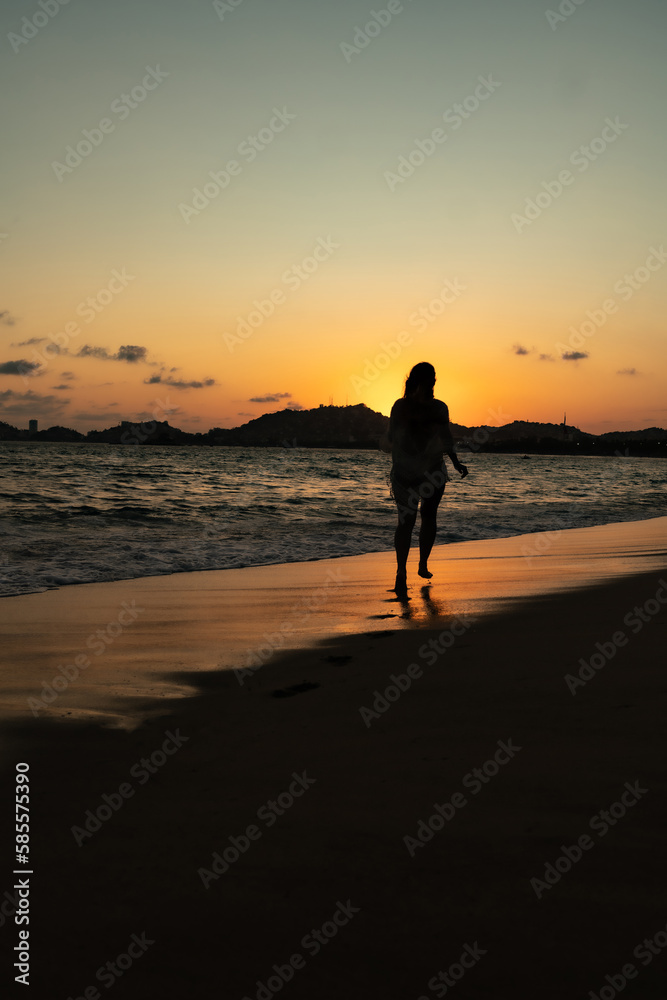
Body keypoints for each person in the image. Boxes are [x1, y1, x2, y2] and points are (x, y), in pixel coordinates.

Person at [381, 362, 468, 595]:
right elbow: (391, 437)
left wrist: (456, 462)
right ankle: (401, 572)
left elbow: (446, 437)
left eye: (433, 380)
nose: (431, 385)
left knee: (428, 516)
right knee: (407, 521)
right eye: (429, 380)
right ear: (418, 382)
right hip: (405, 472)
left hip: (432, 469)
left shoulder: (439, 408)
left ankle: (422, 564)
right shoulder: (400, 407)